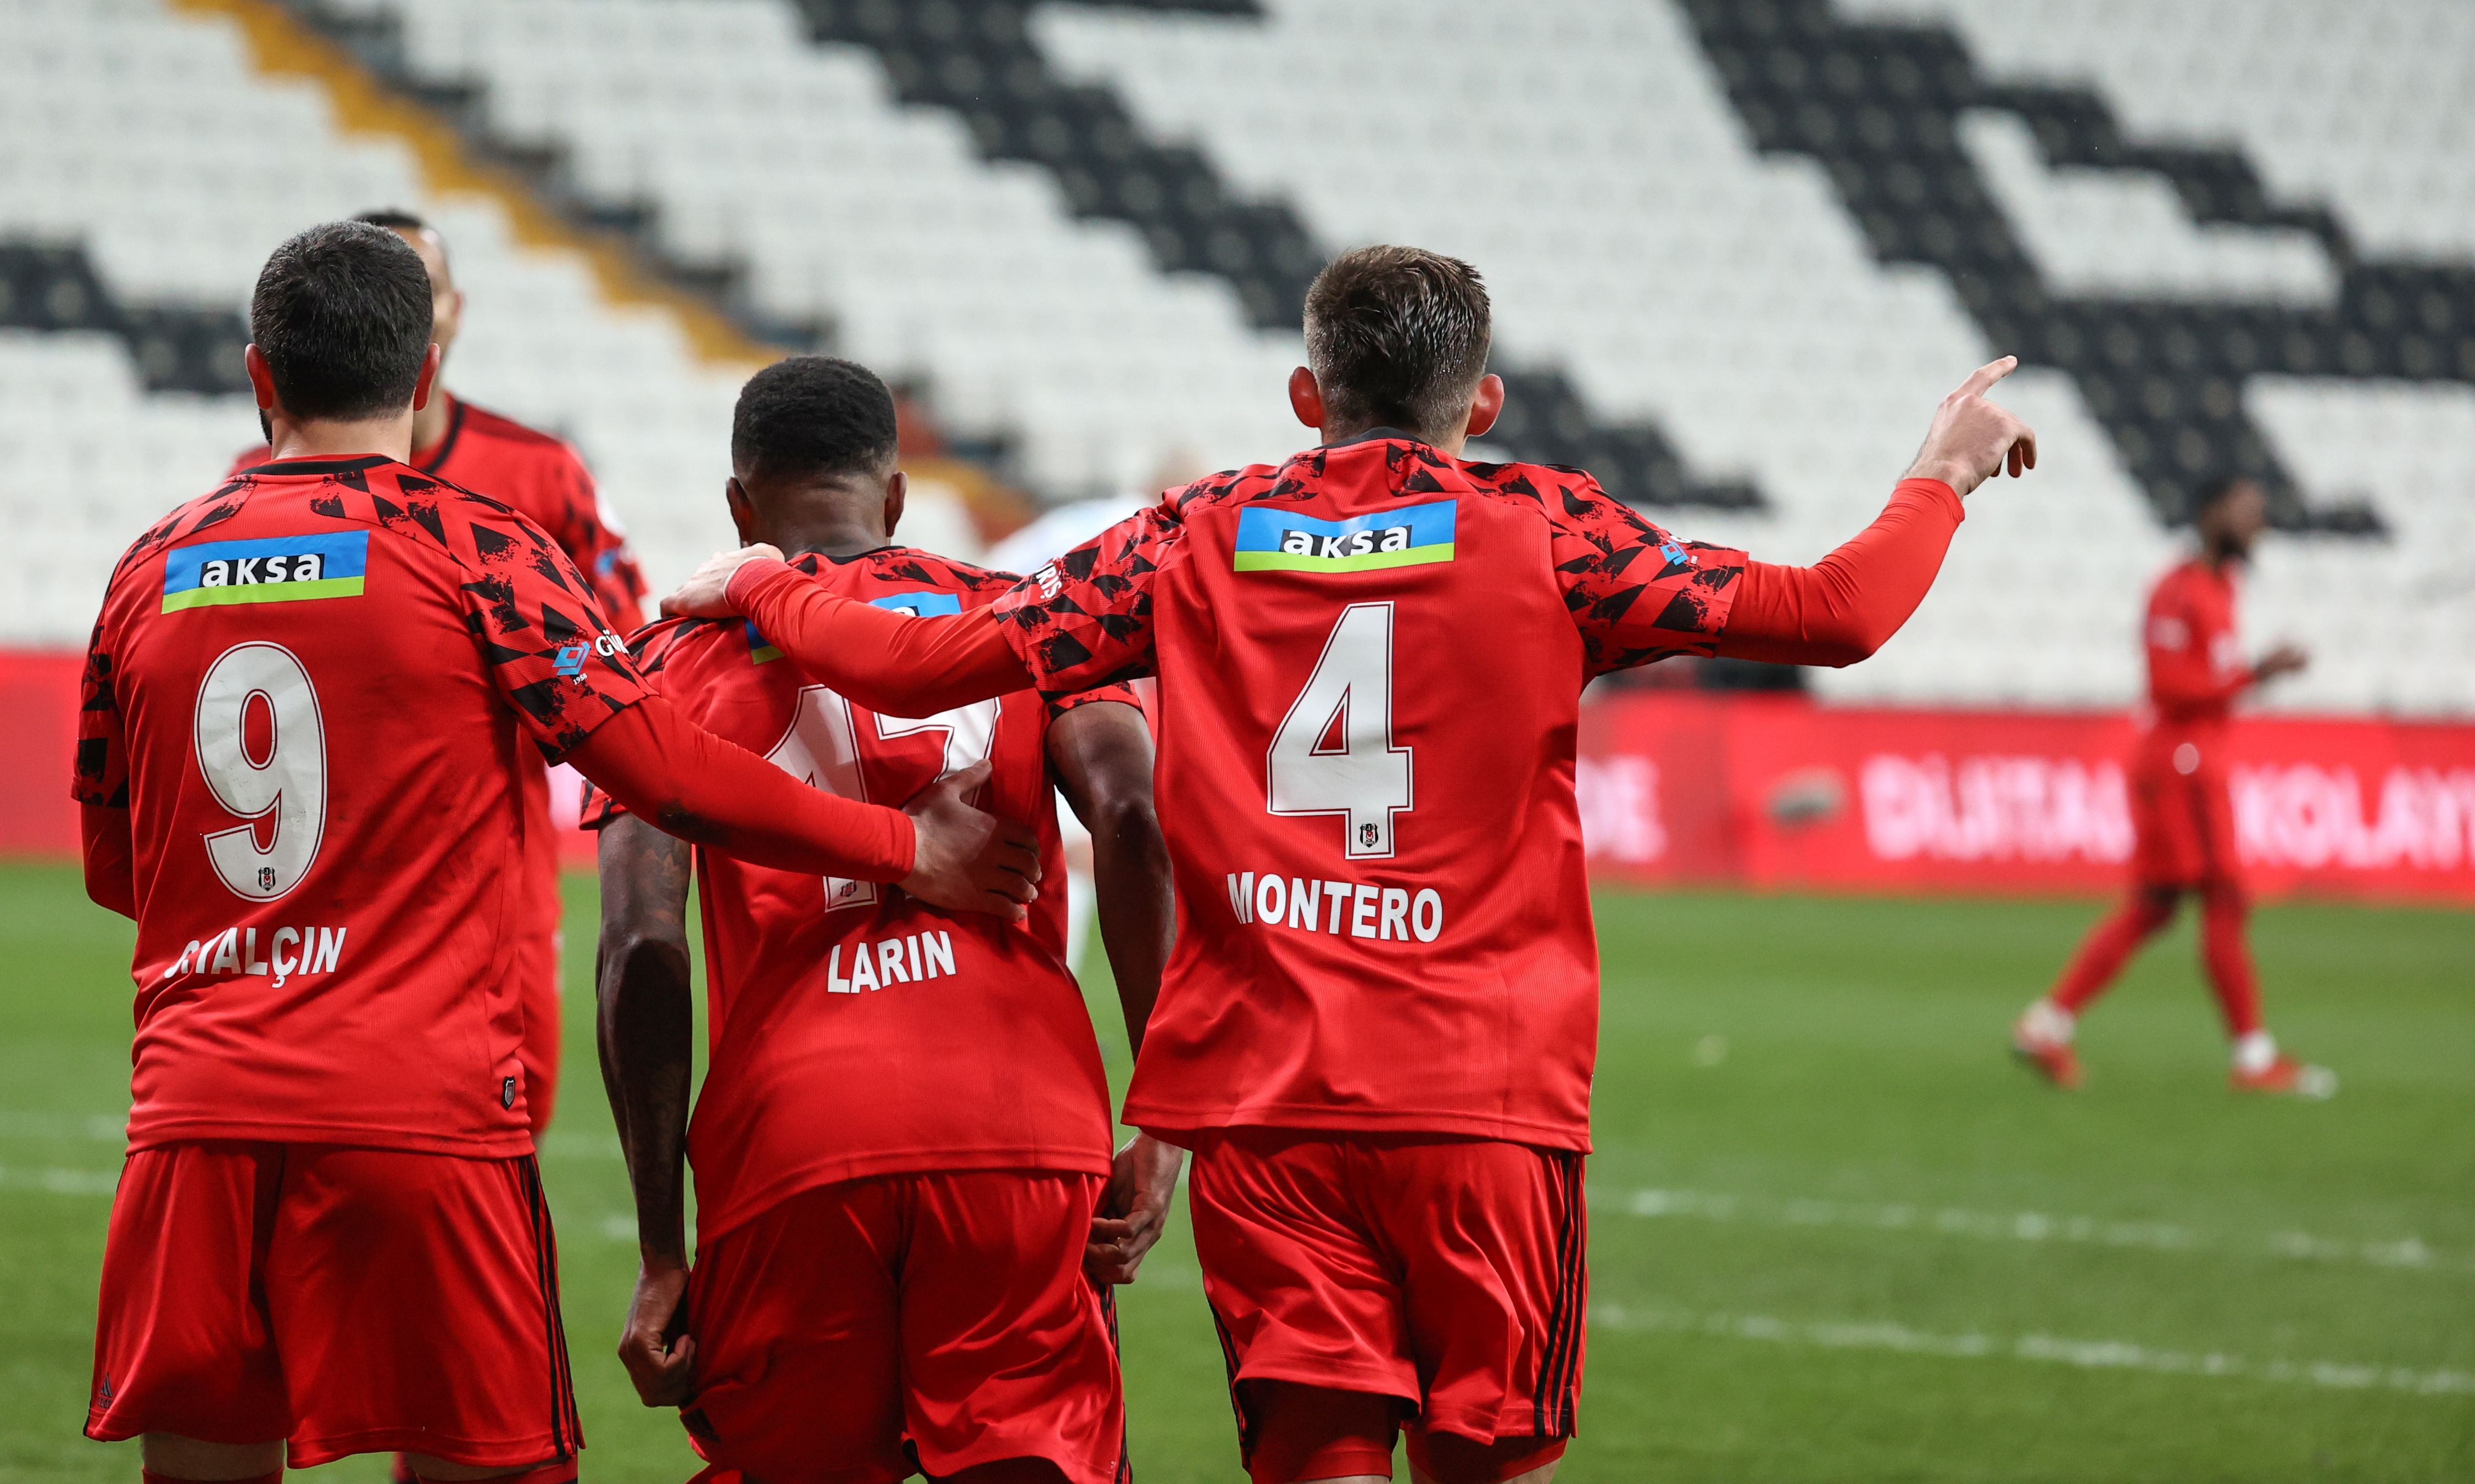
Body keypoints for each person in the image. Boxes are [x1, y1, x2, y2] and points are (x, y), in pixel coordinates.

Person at [664, 246, 2037, 1484]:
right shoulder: (1549, 532)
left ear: (1305, 397)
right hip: (1481, 1098)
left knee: (1319, 1456)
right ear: (1480, 404)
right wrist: (1942, 471)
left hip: (1271, 1107)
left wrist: (764, 586)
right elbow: (1838, 614)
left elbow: (924, 657)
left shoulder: (1190, 535)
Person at [75, 222, 1035, 1484]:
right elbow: (664, 768)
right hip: (420, 1107)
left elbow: (112, 865)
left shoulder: (148, 570)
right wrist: (904, 843)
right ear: (425, 380)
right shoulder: (478, 548)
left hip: (195, 1113)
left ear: (261, 376)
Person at [591, 356, 1182, 1484]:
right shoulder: (1025, 617)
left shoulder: (661, 659)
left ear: (739, 508)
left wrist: (666, 1249)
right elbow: (1132, 818)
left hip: (793, 1142)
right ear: (896, 495)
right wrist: (1161, 1119)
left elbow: (641, 944)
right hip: (1019, 1122)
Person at [226, 207, 645, 1145]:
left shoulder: (541, 472)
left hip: (491, 861)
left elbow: (624, 651)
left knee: (500, 1125)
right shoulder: (256, 488)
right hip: (309, 863)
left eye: (424, 288)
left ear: (453, 312)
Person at [2013, 476, 2329, 1096]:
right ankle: (2252, 1057)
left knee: (2154, 908)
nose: (2258, 524)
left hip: (2190, 760)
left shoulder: (2218, 587)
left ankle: (2046, 1024)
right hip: (2179, 764)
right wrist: (2258, 671)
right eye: (2248, 512)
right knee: (2223, 899)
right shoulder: (2177, 591)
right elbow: (2169, 688)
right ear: (2212, 514)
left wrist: (2251, 674)